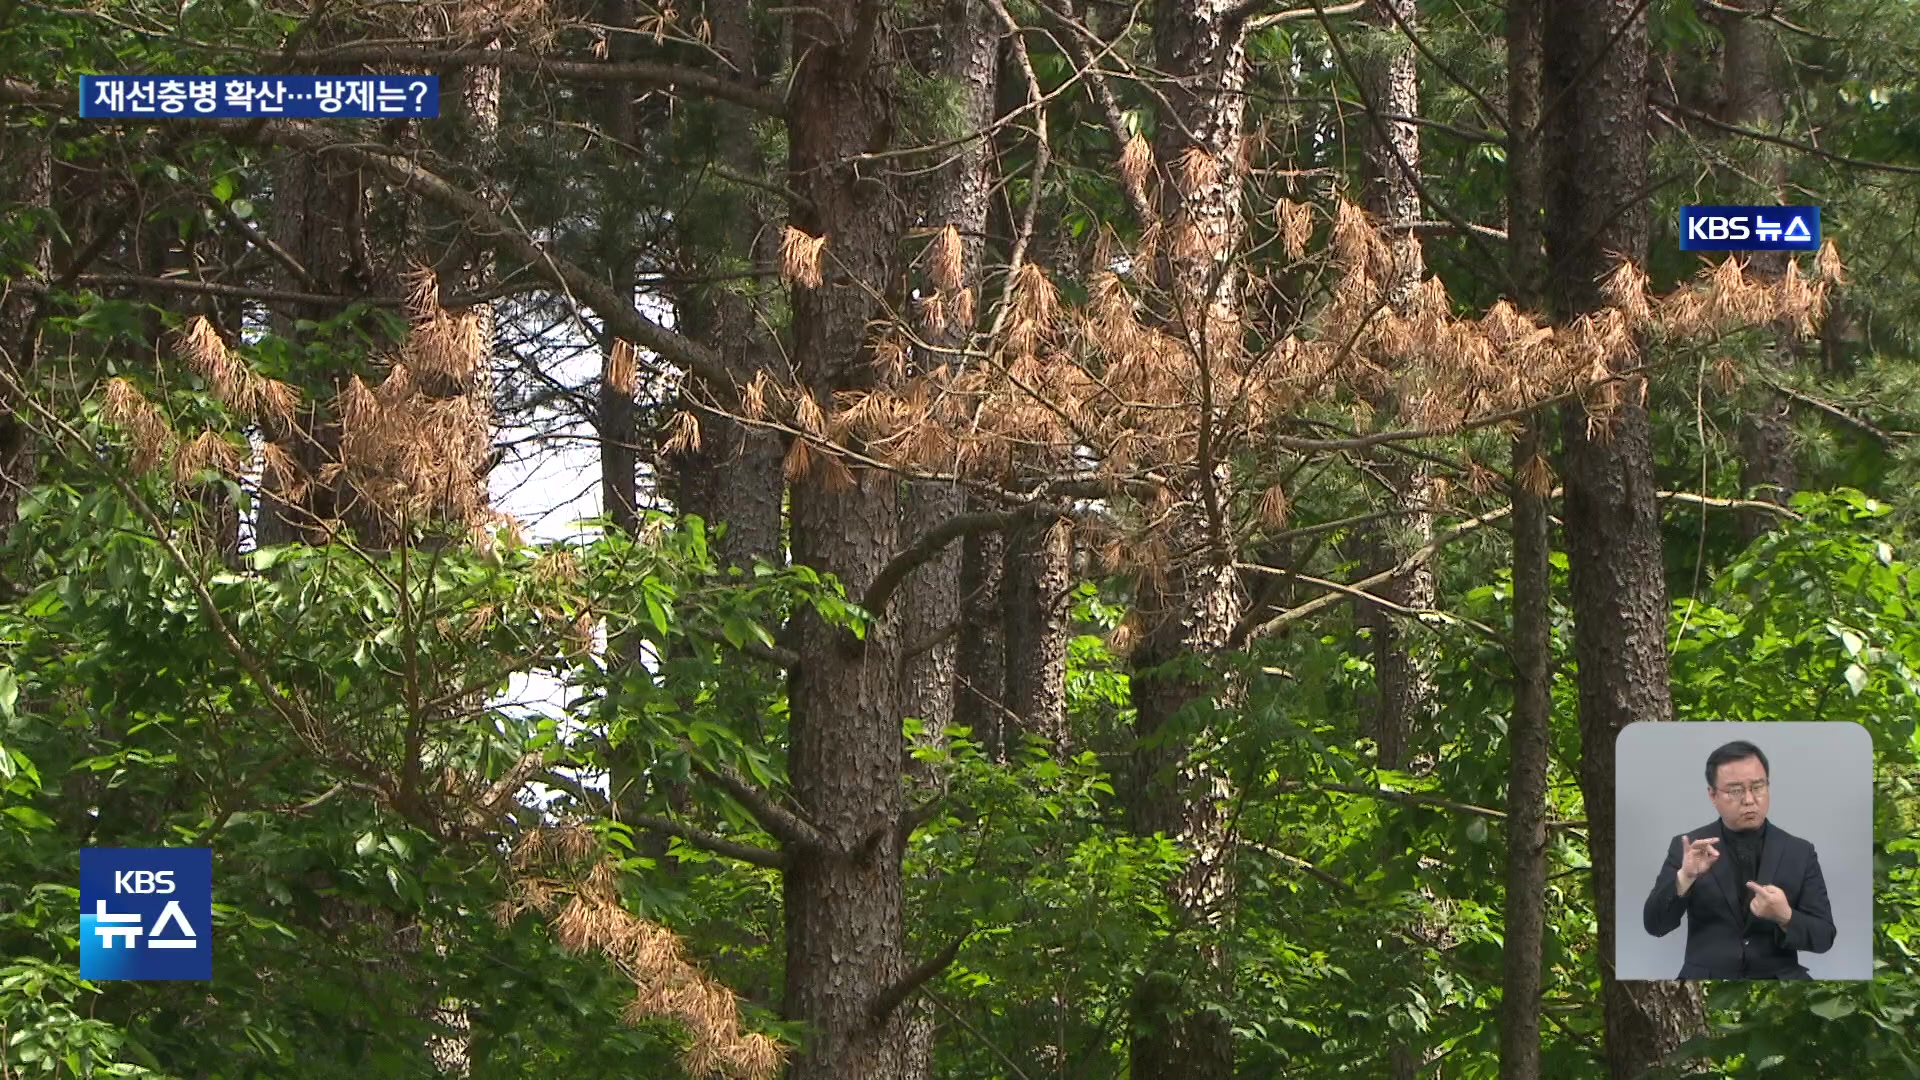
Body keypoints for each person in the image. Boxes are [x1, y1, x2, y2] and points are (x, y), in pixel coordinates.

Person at [1641, 740, 1837, 978]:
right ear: (1712, 795)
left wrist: (1785, 916)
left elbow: (1824, 937)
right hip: (1704, 982)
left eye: (1757, 787)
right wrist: (1685, 877)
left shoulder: (1800, 851)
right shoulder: (1690, 848)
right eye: (1735, 790)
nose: (1749, 799)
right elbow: (1655, 925)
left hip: (1780, 987)